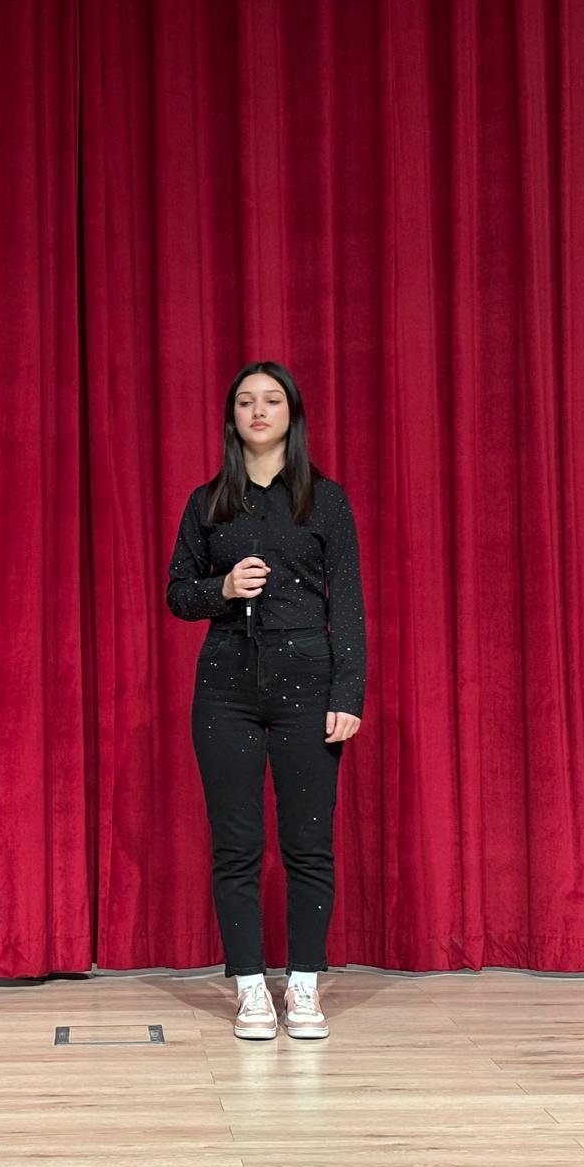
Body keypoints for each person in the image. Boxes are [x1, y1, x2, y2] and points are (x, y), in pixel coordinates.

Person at [166, 361, 366, 1041]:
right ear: (232, 418)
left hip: (308, 683)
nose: (258, 411)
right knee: (236, 845)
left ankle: (303, 985)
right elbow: (177, 594)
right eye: (246, 401)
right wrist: (220, 588)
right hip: (226, 686)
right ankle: (251, 988)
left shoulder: (325, 500)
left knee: (308, 843)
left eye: (272, 400)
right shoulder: (208, 502)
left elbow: (350, 605)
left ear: (291, 415)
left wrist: (348, 693)